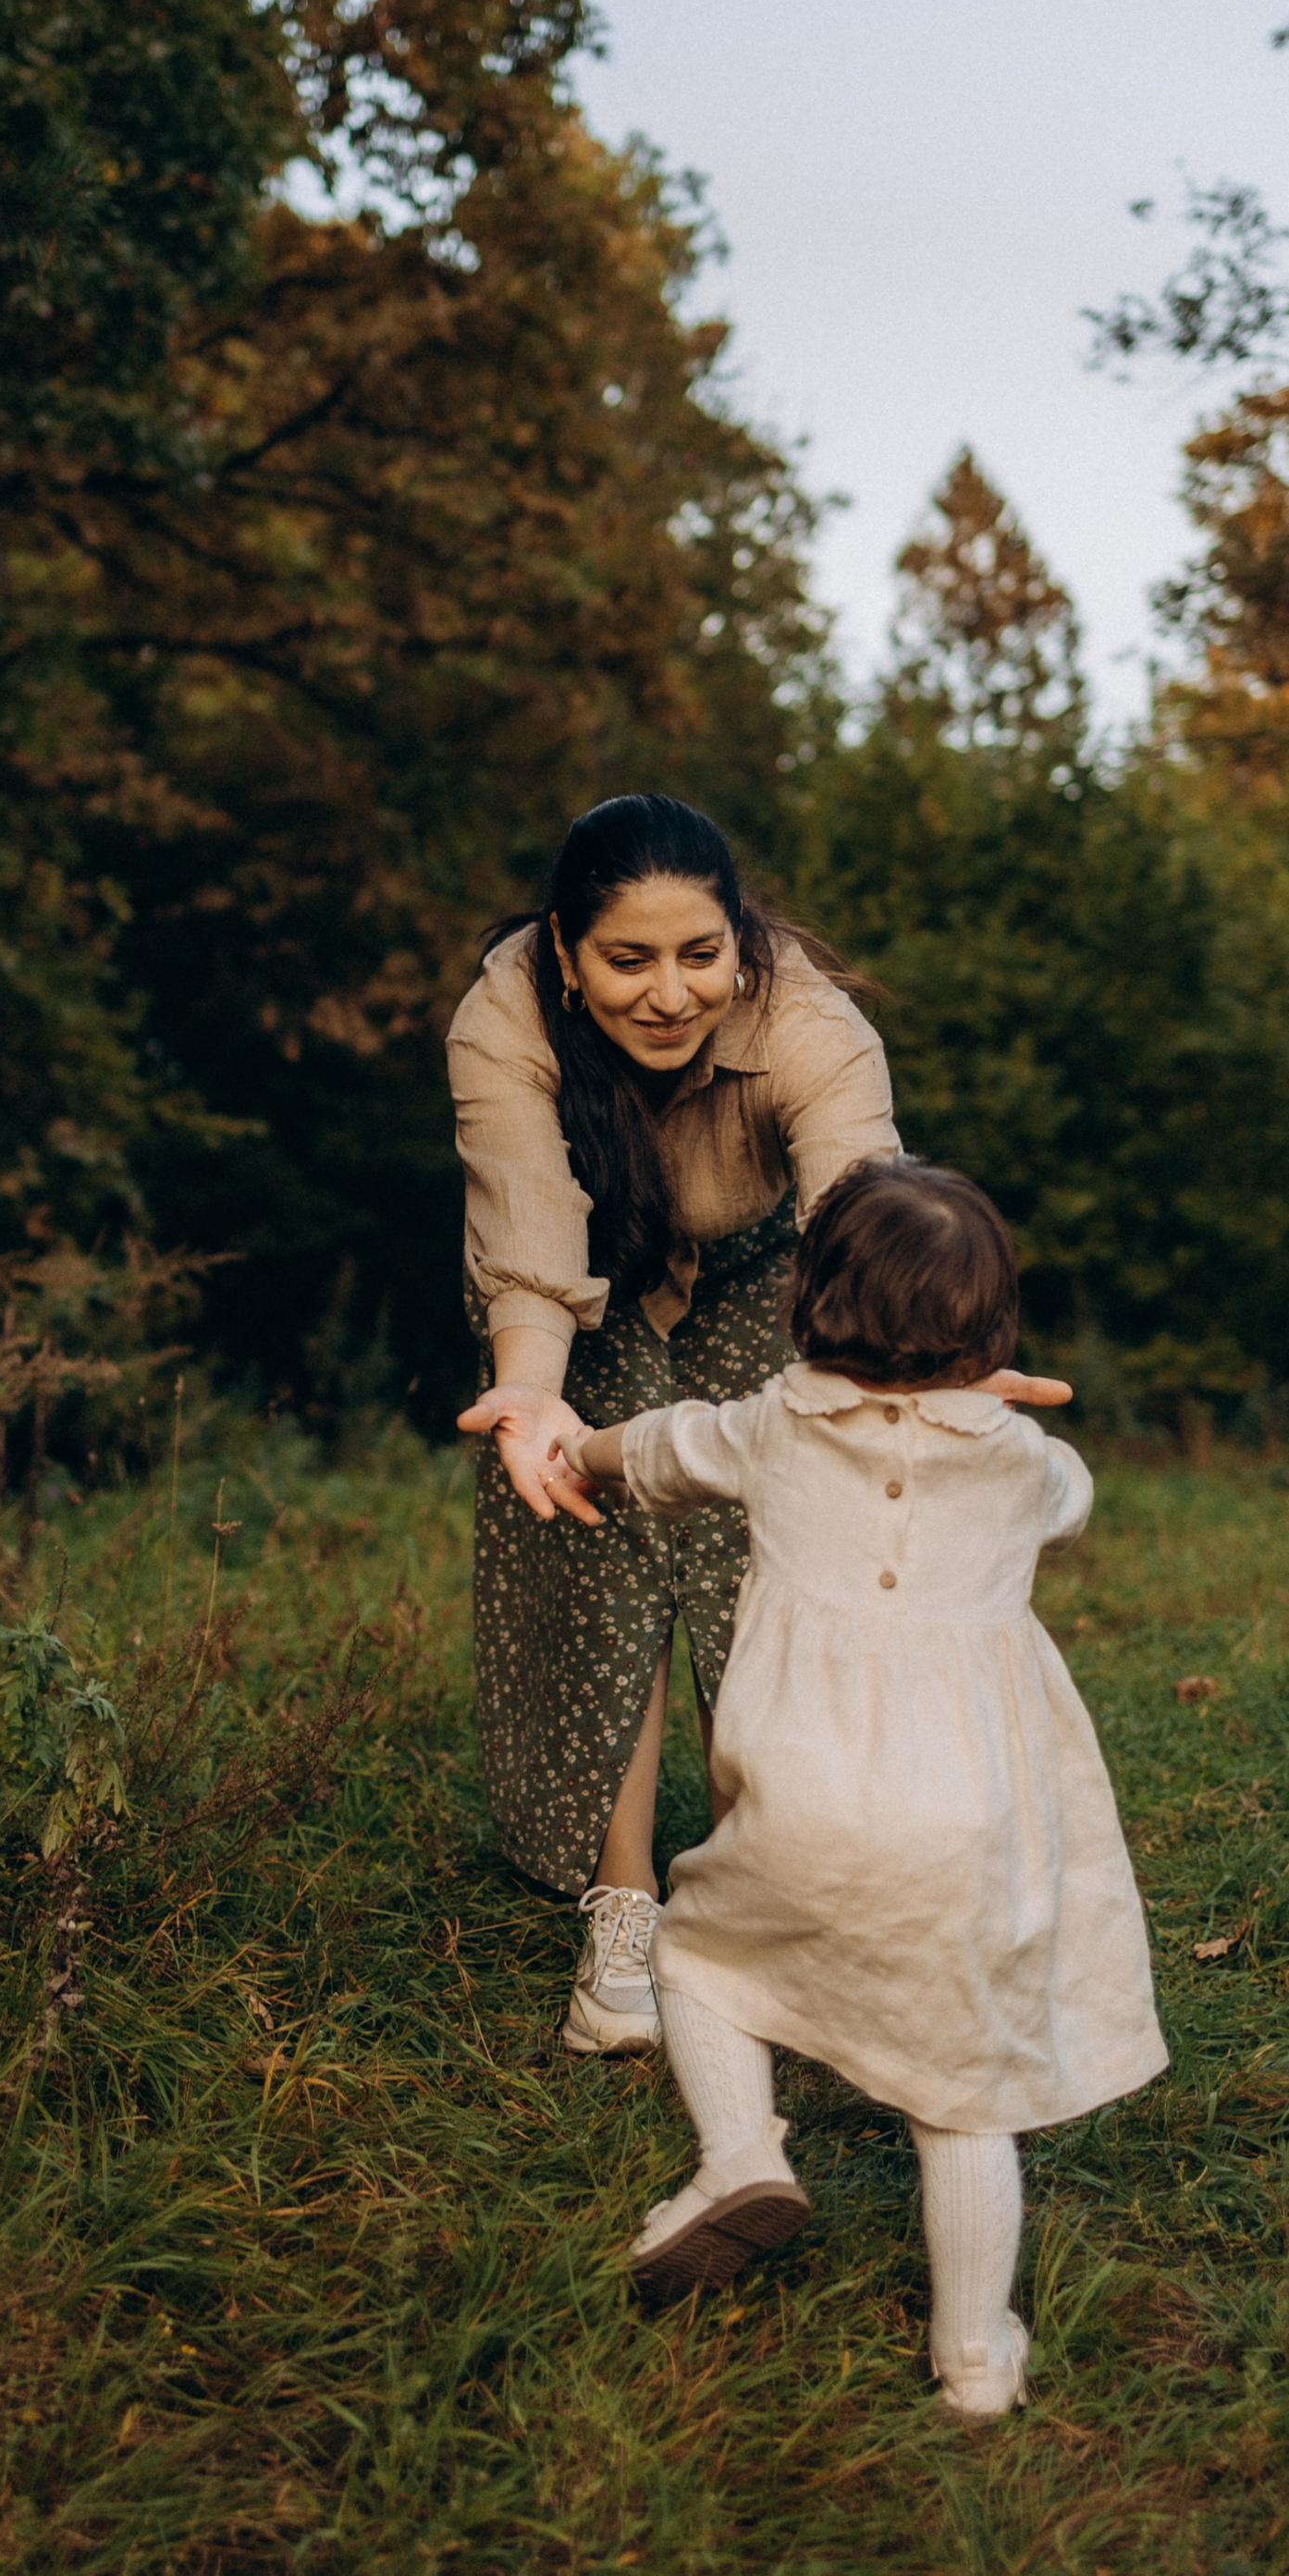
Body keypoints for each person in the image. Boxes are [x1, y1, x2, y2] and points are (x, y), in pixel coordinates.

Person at [485, 1155, 1167, 2420]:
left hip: (800, 1793)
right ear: (993, 1327)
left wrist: (578, 1444)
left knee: (699, 1962)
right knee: (962, 2093)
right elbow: (1072, 1497)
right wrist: (1001, 1420)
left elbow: (662, 1448)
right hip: (963, 1821)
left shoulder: (773, 1424)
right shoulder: (1020, 1465)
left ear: (811, 1300)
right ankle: (973, 2357)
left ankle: (740, 2158)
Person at [447, 792, 1063, 2058]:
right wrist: (531, 1391)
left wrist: (920, 1367)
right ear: (566, 954)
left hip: (776, 1282)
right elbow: (525, 1225)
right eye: (629, 961)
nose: (671, 995)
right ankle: (625, 1916)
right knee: (595, 1538)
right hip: (586, 1288)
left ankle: (772, 1903)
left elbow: (865, 1205)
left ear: (742, 942)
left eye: (699, 956)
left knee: (766, 1561)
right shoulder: (505, 1013)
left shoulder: (810, 1024)